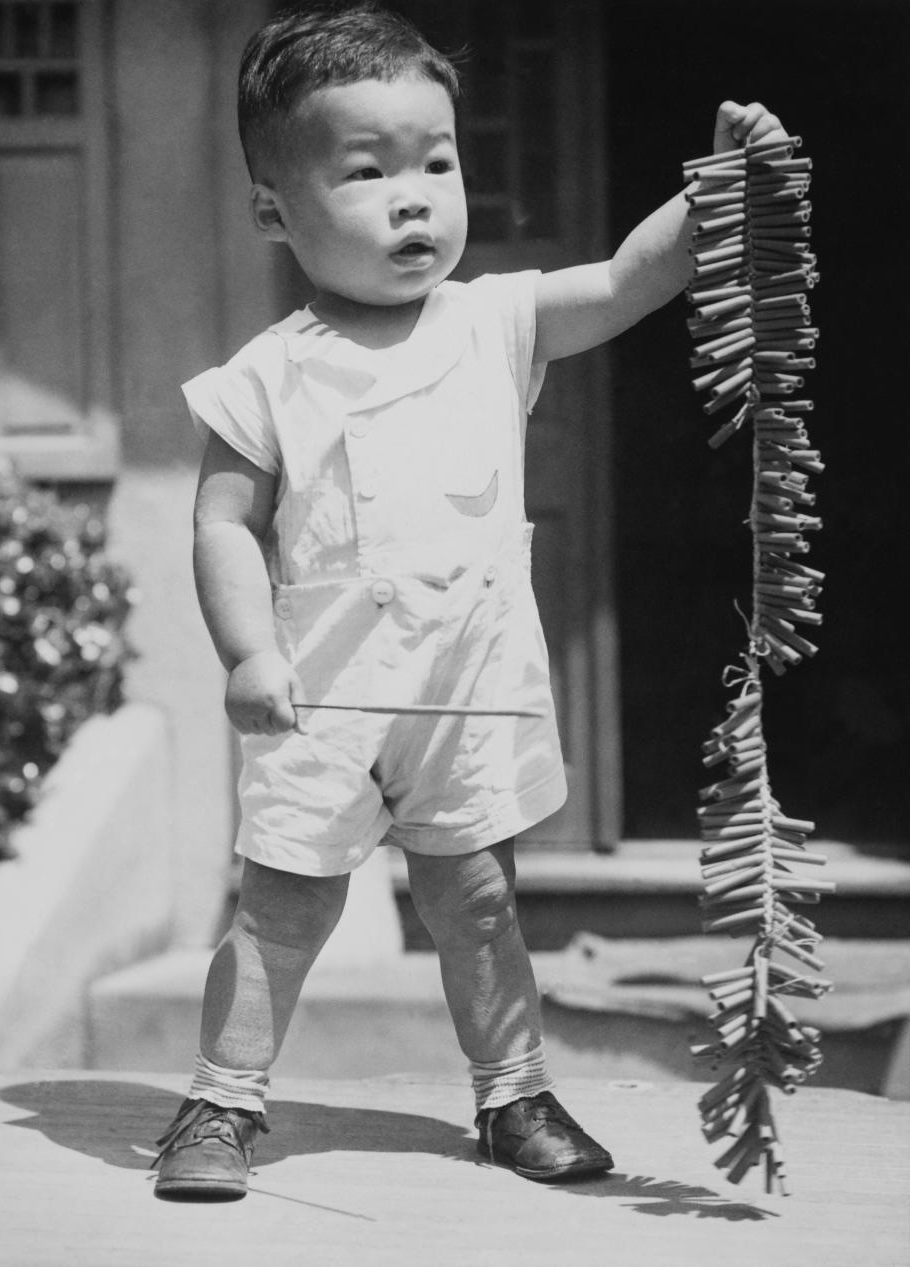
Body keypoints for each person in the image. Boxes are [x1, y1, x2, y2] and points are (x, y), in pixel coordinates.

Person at [152, 1, 788, 1200]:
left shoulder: (492, 320)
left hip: (466, 688)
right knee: (280, 911)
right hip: (323, 694)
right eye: (368, 171)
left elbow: (621, 283)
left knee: (481, 901)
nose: (414, 196)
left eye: (436, 163)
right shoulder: (267, 374)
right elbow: (221, 522)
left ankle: (512, 1094)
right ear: (273, 212)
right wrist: (246, 653)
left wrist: (716, 197)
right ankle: (221, 1101)